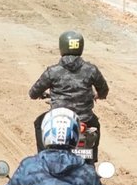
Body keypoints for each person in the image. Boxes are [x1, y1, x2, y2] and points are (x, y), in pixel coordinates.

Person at [29, 30, 109, 163]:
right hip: (85, 119)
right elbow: (104, 90)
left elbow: (33, 93)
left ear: (62, 47)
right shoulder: (91, 70)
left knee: (39, 123)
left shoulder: (52, 71)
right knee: (96, 125)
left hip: (58, 119)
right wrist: (98, 95)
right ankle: (92, 157)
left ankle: (43, 158)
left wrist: (42, 95)